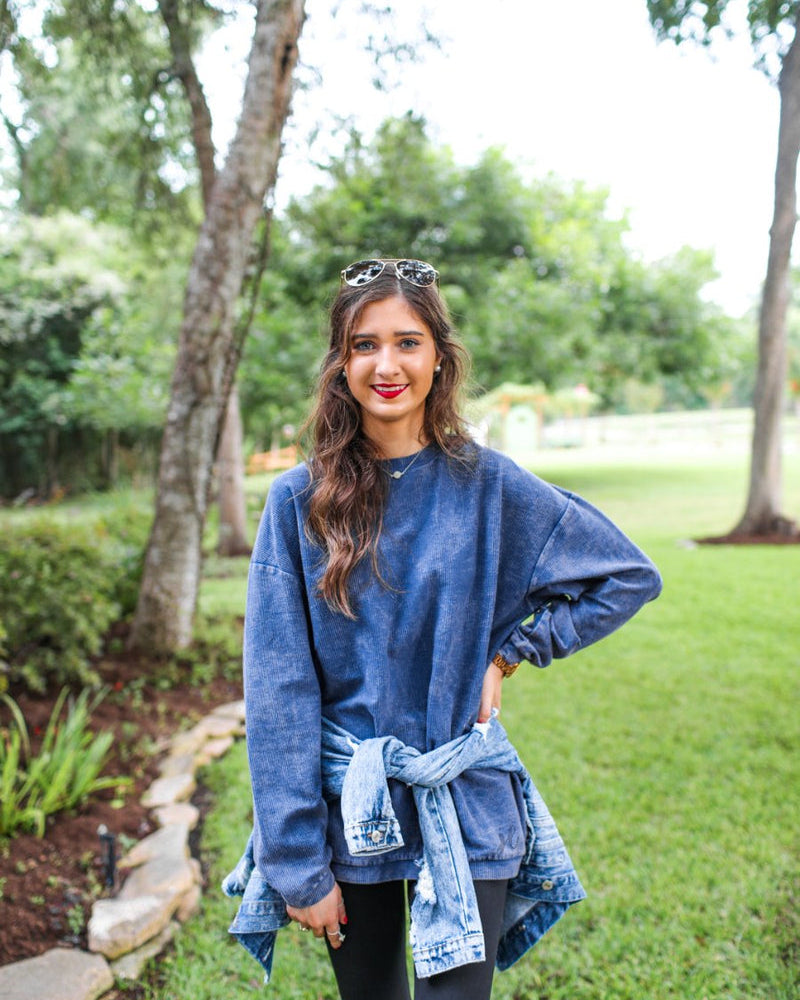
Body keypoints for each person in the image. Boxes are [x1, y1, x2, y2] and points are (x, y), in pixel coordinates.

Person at [226, 257, 662, 999]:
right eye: (364, 344)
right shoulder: (299, 502)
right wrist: (296, 861)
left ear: (439, 358)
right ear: (341, 363)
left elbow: (626, 576)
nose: (386, 364)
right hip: (350, 803)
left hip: (466, 796)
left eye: (408, 341)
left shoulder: (489, 485)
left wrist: (513, 651)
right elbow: (278, 693)